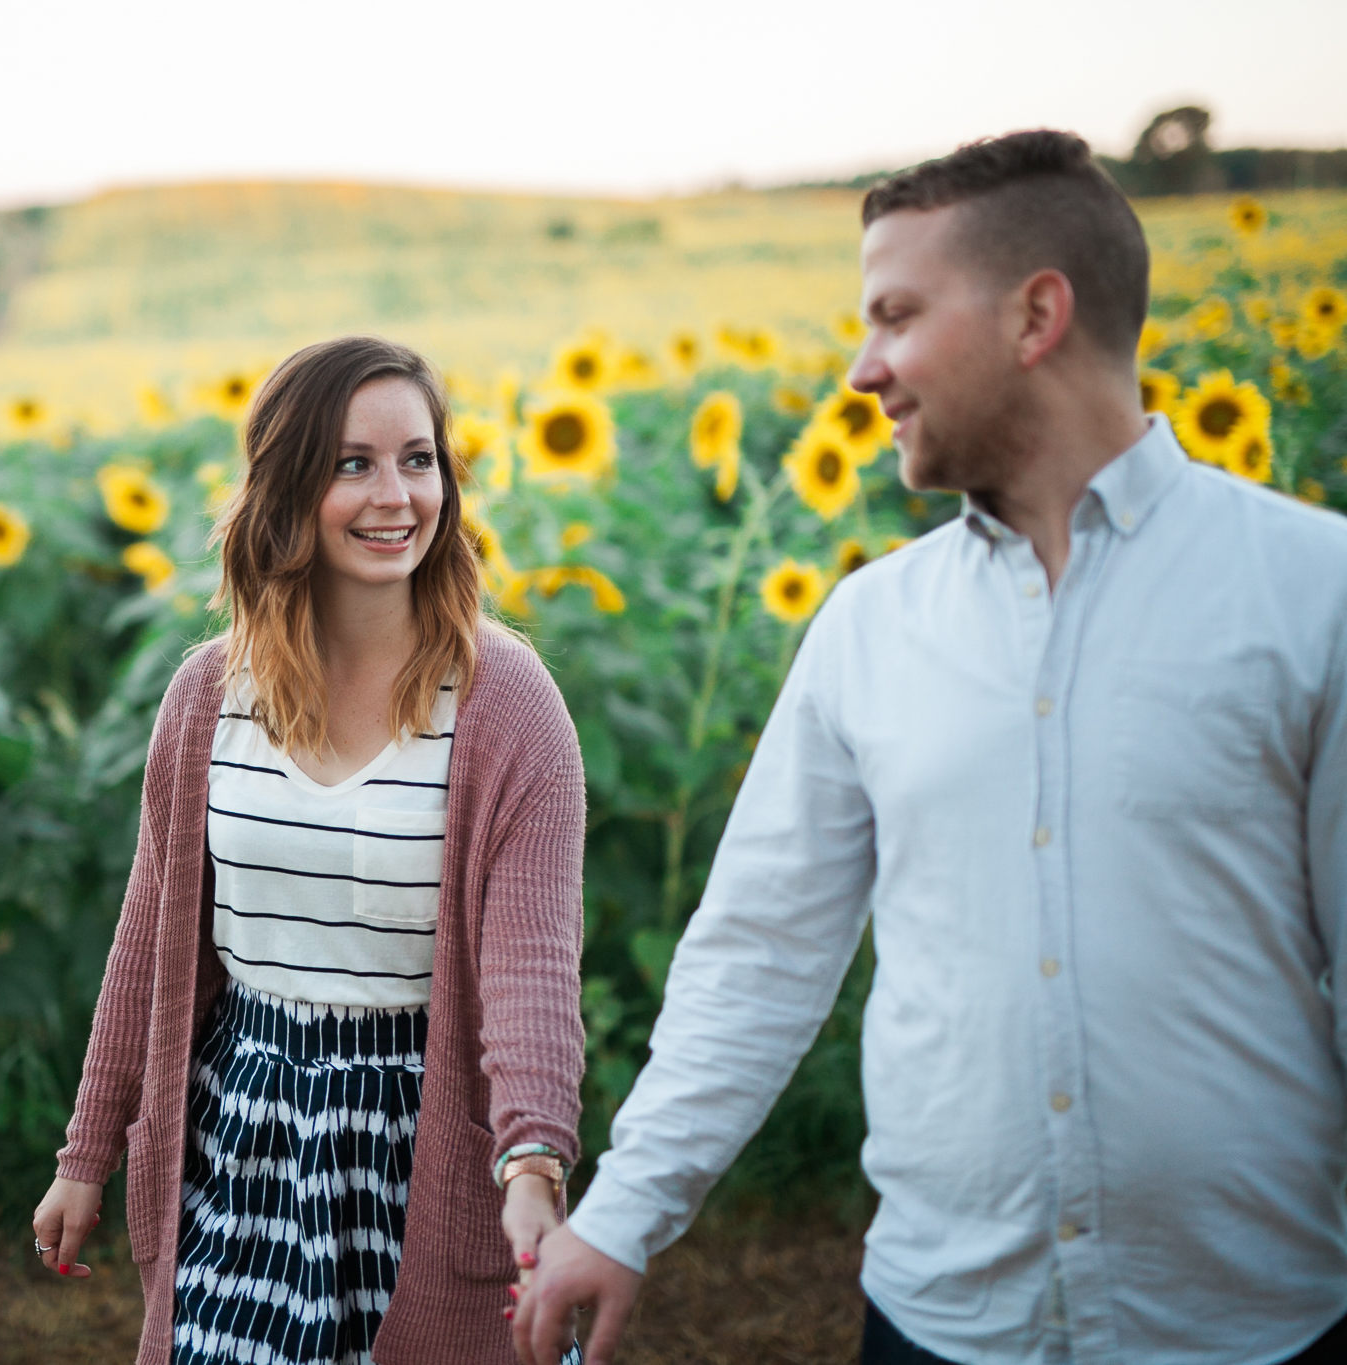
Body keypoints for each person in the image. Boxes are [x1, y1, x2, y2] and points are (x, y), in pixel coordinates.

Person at [514, 130, 1347, 1365]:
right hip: (944, 1325)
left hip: (1247, 1324)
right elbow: (759, 953)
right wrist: (624, 1215)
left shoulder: (1311, 592)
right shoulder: (866, 627)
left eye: (895, 317)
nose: (862, 371)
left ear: (1035, 315)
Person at [33, 334, 589, 1365]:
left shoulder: (509, 709)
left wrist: (529, 1164)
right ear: (286, 488)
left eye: (418, 459)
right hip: (241, 1129)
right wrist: (85, 1155)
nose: (396, 494)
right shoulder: (206, 697)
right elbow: (147, 944)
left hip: (421, 1135)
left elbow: (528, 971)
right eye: (353, 463)